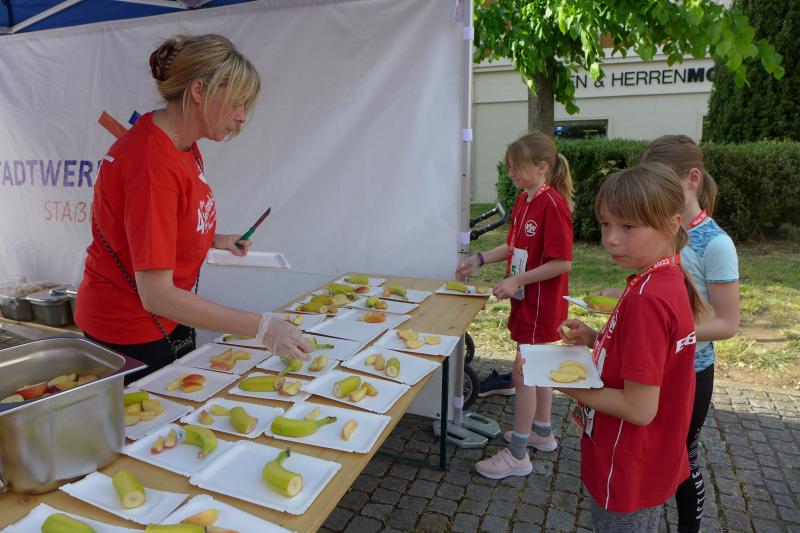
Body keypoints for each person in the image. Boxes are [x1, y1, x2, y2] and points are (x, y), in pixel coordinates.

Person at [76, 34, 310, 380]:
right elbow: (157, 296)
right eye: (237, 103)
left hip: (166, 320)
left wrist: (213, 239)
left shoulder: (181, 144)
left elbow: (154, 225)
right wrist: (261, 327)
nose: (242, 117)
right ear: (199, 90)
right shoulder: (151, 164)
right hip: (130, 331)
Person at [558, 163, 706, 533]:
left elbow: (639, 408)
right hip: (651, 458)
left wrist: (564, 383)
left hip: (627, 462)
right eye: (605, 224)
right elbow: (649, 358)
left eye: (627, 226)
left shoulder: (646, 298)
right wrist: (594, 337)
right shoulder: (663, 279)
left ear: (671, 225)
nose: (610, 238)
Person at [456, 131, 574, 478]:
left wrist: (517, 280)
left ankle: (518, 454)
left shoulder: (553, 205)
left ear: (542, 167)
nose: (510, 174)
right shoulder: (525, 200)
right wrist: (479, 258)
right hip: (527, 302)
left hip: (541, 305)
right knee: (538, 370)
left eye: (516, 168)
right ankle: (542, 431)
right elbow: (512, 246)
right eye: (509, 167)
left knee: (525, 373)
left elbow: (562, 262)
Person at [639, 135, 740, 533]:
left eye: (663, 182)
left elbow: (727, 323)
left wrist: (673, 334)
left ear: (692, 179)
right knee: (646, 449)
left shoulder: (716, 244)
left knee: (682, 457)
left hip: (690, 372)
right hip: (652, 364)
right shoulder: (662, 230)